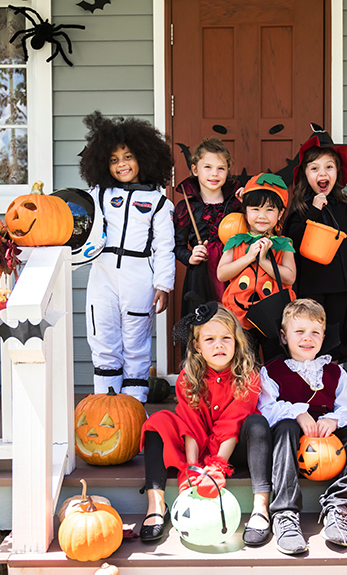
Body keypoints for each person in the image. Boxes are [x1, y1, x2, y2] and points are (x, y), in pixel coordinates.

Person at [139, 303, 273, 546]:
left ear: (237, 341)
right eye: (210, 339)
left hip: (233, 449)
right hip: (198, 445)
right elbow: (190, 426)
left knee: (257, 424)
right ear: (198, 346)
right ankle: (156, 505)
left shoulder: (249, 376)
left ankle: (260, 508)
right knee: (158, 421)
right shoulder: (187, 377)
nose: (219, 344)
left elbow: (232, 425)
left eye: (226, 338)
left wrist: (217, 467)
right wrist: (192, 468)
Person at [258, 299, 347, 554]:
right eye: (299, 332)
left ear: (323, 337)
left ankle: (338, 502)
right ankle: (285, 513)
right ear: (284, 336)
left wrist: (333, 420)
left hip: (327, 440)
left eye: (315, 332)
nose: (307, 338)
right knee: (285, 427)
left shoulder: (334, 371)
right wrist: (299, 414)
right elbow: (266, 409)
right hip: (291, 445)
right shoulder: (272, 371)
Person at [78, 111, 175, 403]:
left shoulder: (158, 202)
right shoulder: (98, 195)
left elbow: (164, 246)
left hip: (139, 276)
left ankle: (133, 405)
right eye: (113, 159)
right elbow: (75, 215)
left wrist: (164, 285)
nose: (122, 164)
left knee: (136, 342)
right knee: (103, 336)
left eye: (129, 156)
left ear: (144, 158)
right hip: (103, 273)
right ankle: (105, 402)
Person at [284, 126, 347, 364]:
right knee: (315, 334)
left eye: (328, 167)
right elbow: (291, 240)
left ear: (337, 172)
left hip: (342, 284)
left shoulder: (341, 205)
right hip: (313, 285)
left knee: (337, 339)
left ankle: (333, 378)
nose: (322, 173)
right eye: (314, 168)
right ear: (305, 174)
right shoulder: (301, 207)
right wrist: (314, 210)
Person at [218, 173, 296, 360]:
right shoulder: (236, 240)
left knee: (276, 360)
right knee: (245, 361)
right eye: (255, 209)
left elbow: (290, 277)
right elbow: (222, 274)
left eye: (270, 210)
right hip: (240, 316)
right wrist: (249, 257)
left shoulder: (283, 244)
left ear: (280, 213)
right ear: (245, 211)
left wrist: (264, 261)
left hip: (274, 316)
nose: (262, 216)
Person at [174, 137, 241, 315]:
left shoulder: (236, 204)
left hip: (233, 267)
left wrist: (248, 204)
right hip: (201, 273)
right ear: (195, 170)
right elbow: (177, 246)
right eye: (208, 167)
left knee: (232, 318)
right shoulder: (186, 207)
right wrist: (190, 256)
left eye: (221, 168)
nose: (214, 174)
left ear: (228, 171)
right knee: (203, 320)